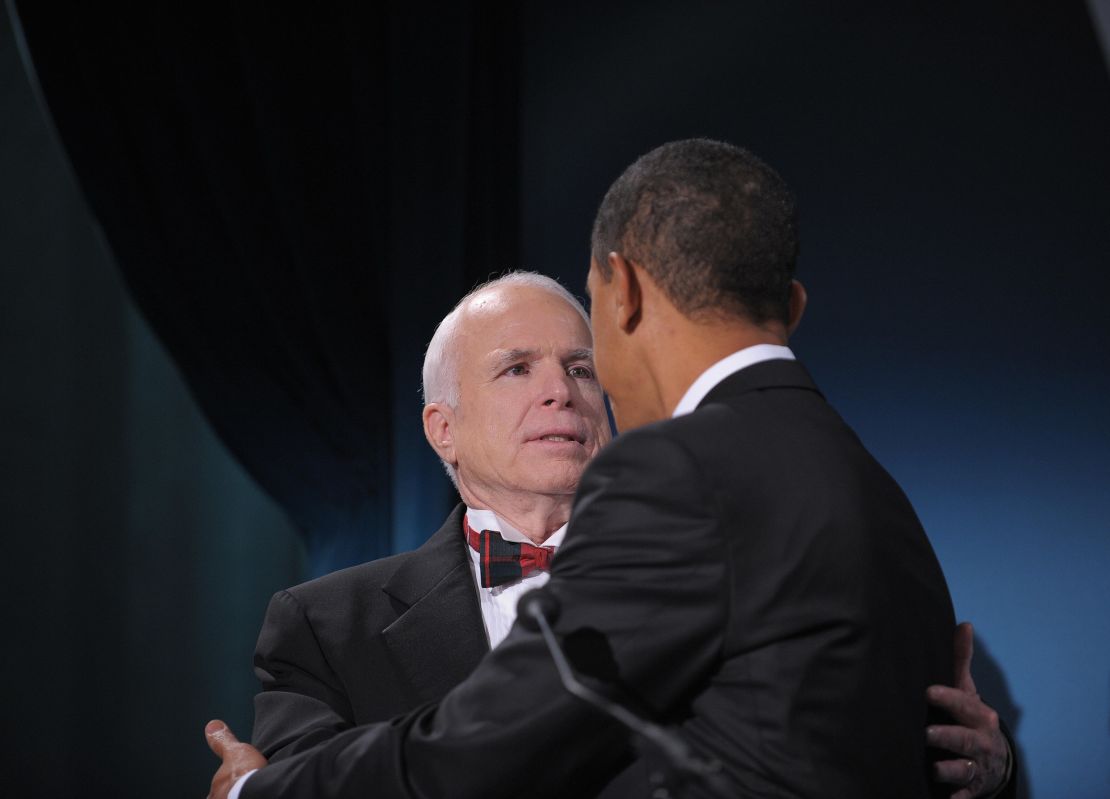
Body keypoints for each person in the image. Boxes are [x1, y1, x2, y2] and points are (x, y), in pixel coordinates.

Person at [208, 141, 1015, 798]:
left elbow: (483, 748)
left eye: (583, 364)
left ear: (621, 291)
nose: (563, 389)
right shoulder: (320, 627)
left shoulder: (683, 489)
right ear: (440, 427)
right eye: (518, 367)